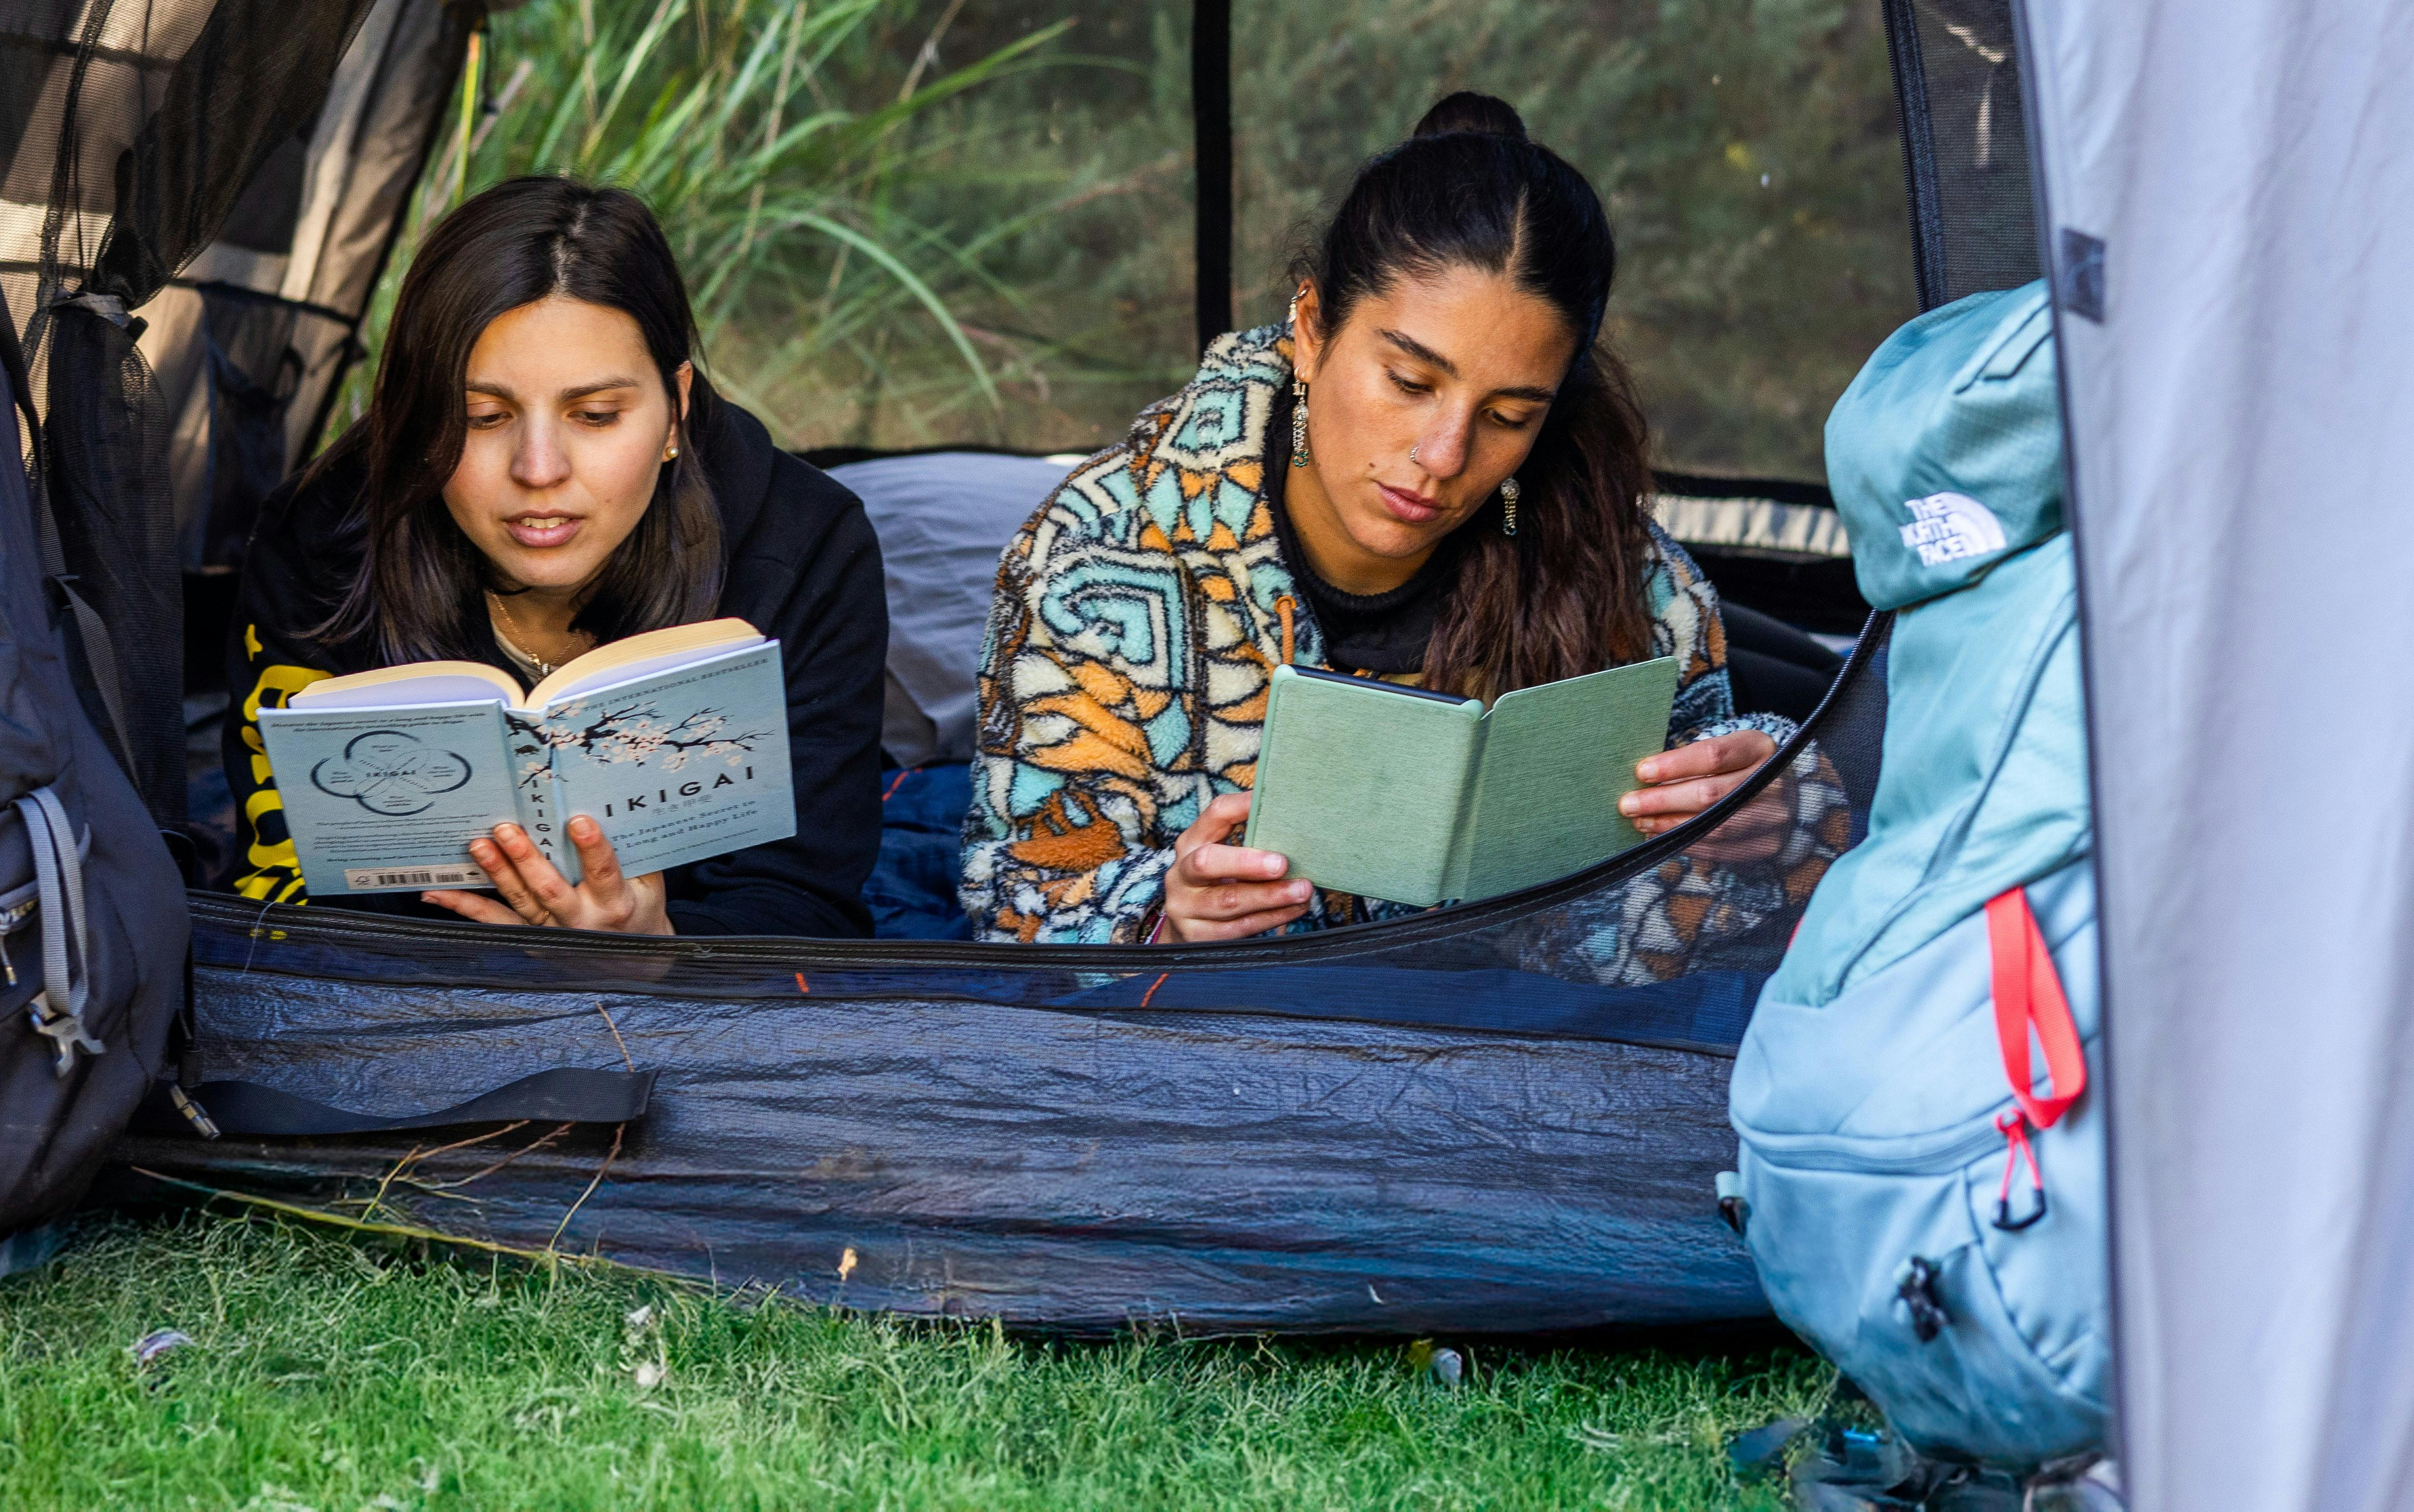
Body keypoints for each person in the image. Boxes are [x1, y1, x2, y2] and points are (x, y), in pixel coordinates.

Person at [959, 119, 1800, 954]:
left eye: (1509, 417)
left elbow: (1695, 902)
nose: (1444, 457)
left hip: (1512, 1061)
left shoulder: (1625, 572)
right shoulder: (1098, 555)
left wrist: (1775, 812)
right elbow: (1019, 899)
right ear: (1313, 329)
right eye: (1408, 381)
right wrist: (1161, 914)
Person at [223, 178, 887, 937]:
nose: (539, 469)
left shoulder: (810, 545)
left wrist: (652, 946)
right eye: (482, 417)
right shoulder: (325, 535)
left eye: (596, 415)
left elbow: (806, 906)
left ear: (676, 408)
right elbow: (281, 886)